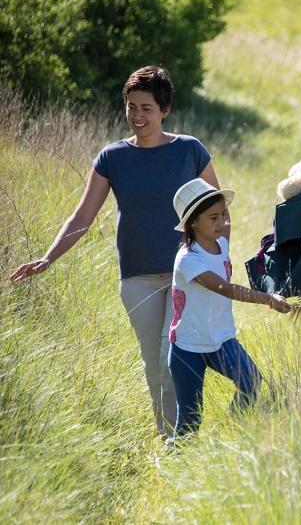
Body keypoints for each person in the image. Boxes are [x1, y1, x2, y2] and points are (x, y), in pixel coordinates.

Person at [9, 65, 224, 436]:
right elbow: (83, 215)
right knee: (153, 366)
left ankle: (181, 443)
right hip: (136, 279)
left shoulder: (190, 151)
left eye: (147, 109)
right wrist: (48, 257)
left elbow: (220, 214)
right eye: (131, 107)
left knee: (172, 358)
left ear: (165, 110)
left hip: (184, 276)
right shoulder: (113, 158)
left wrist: (219, 260)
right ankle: (167, 440)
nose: (137, 116)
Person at [169, 179, 292, 438]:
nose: (222, 222)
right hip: (188, 348)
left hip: (222, 340)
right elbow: (225, 288)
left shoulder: (221, 243)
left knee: (251, 382)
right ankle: (178, 458)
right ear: (192, 222)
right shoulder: (188, 259)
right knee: (190, 420)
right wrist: (268, 299)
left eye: (223, 214)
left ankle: (229, 436)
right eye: (213, 217)